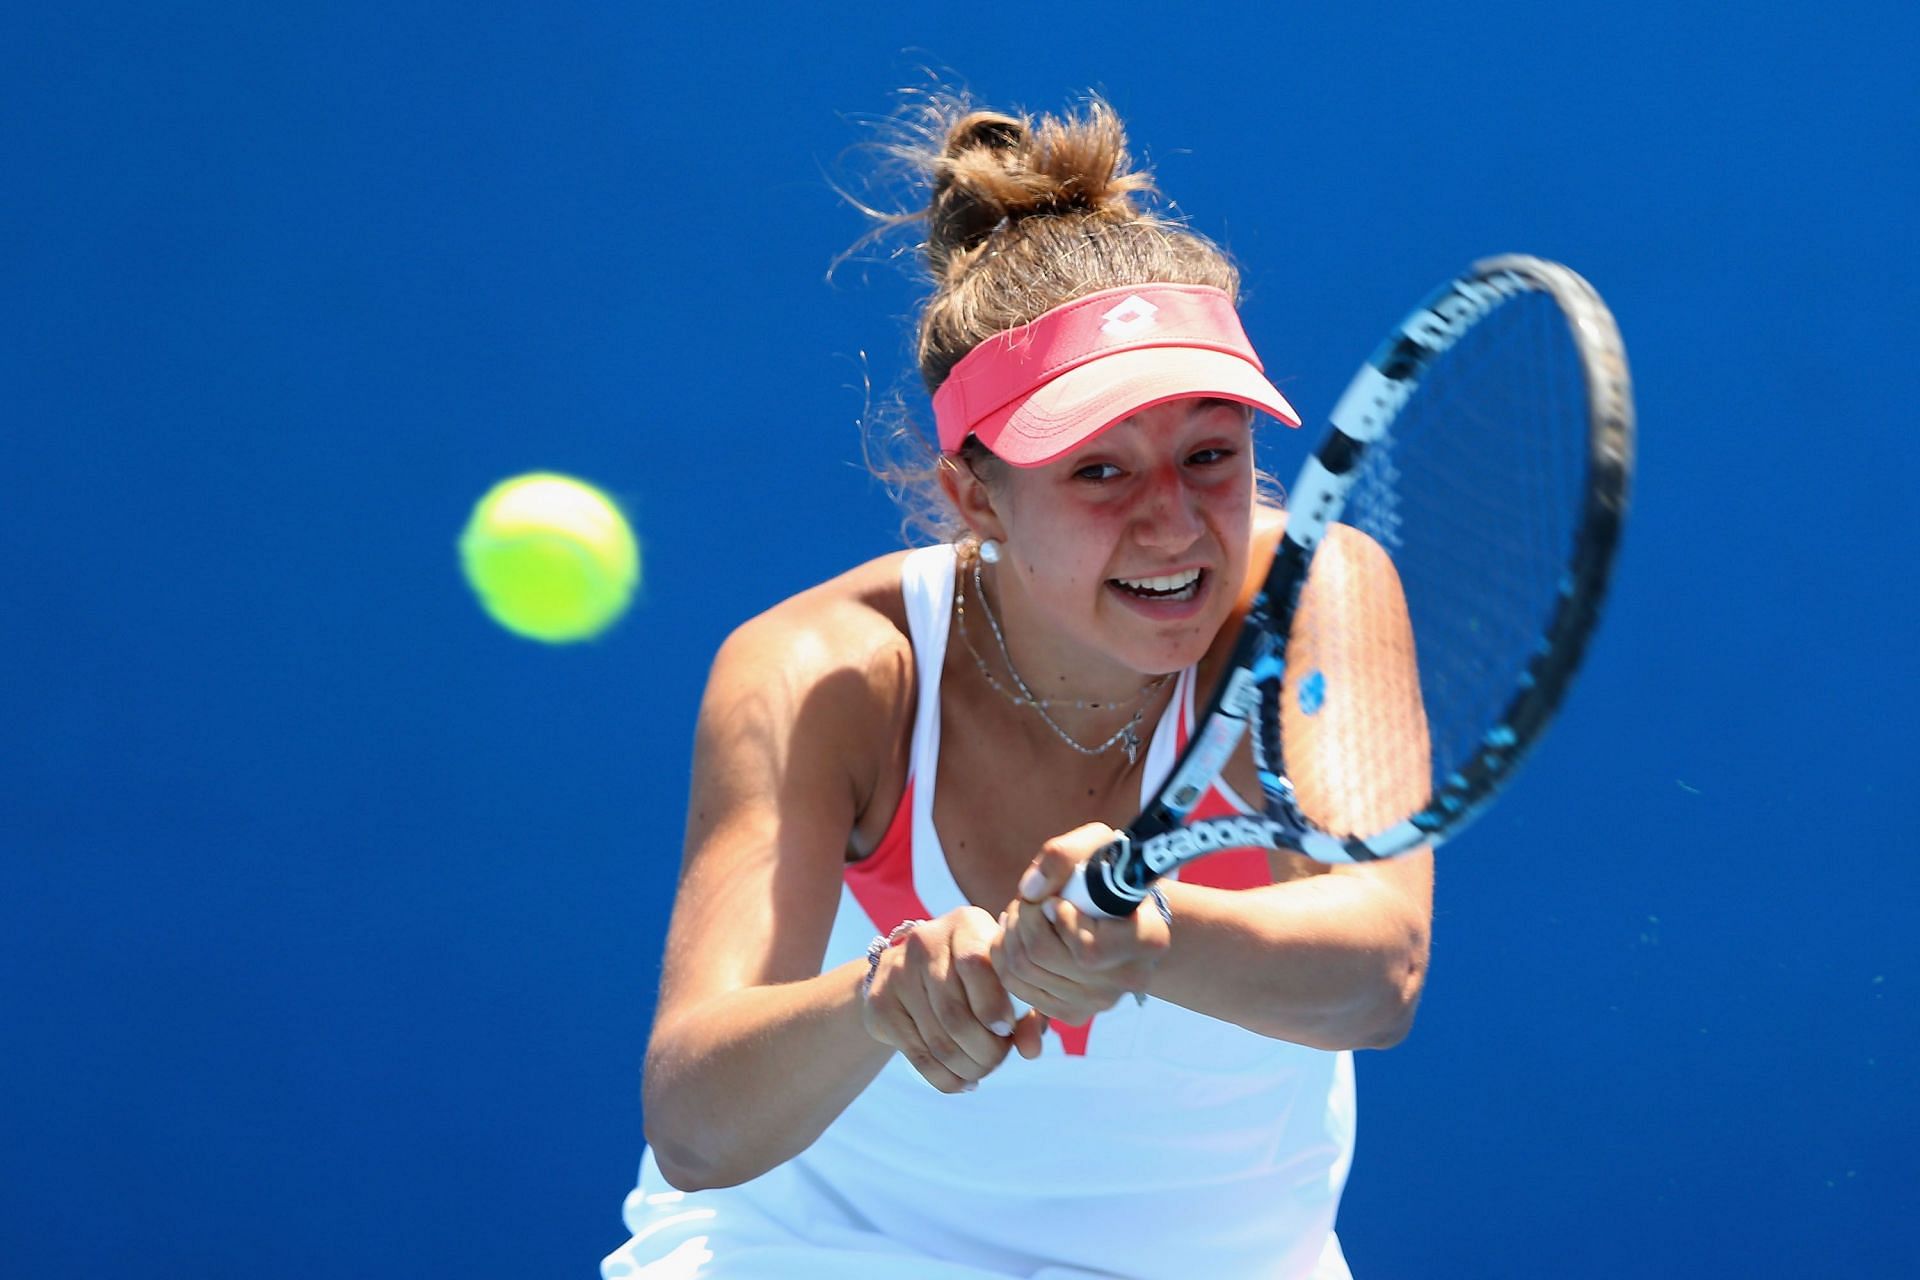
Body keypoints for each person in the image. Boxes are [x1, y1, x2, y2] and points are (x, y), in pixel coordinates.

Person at [600, 95, 1434, 1280]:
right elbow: (694, 1121)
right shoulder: (826, 670)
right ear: (974, 496)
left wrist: (1151, 934)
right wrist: (883, 1004)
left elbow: (1378, 970)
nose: (1174, 520)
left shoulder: (1310, 595)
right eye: (1099, 468)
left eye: (1212, 452)